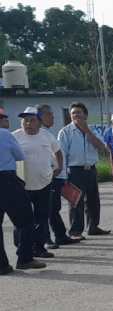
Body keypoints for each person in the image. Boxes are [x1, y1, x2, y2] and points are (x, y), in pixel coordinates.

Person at [0, 107, 45, 273]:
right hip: (6, 180)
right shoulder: (5, 134)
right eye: (5, 117)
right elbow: (19, 156)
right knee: (26, 221)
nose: (7, 120)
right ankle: (25, 258)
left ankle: (2, 265)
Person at [58, 102, 110, 240]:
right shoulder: (65, 132)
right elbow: (62, 154)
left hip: (91, 169)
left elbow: (102, 148)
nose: (76, 116)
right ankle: (75, 231)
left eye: (78, 113)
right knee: (76, 202)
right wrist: (63, 174)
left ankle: (93, 227)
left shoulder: (94, 130)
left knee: (93, 200)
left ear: (85, 115)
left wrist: (87, 131)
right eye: (73, 113)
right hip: (74, 170)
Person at [12, 106, 60, 260]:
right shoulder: (15, 136)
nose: (27, 123)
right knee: (22, 219)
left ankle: (39, 247)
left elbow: (58, 151)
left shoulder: (47, 135)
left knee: (42, 217)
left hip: (44, 183)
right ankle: (22, 246)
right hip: (22, 185)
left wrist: (59, 168)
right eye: (25, 120)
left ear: (39, 122)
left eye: (31, 120)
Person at [36, 105, 72, 249]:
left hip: (56, 177)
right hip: (46, 177)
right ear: (41, 116)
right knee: (46, 209)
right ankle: (46, 239)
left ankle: (60, 235)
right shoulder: (38, 134)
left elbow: (57, 153)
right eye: (50, 115)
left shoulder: (47, 133)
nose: (53, 118)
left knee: (54, 208)